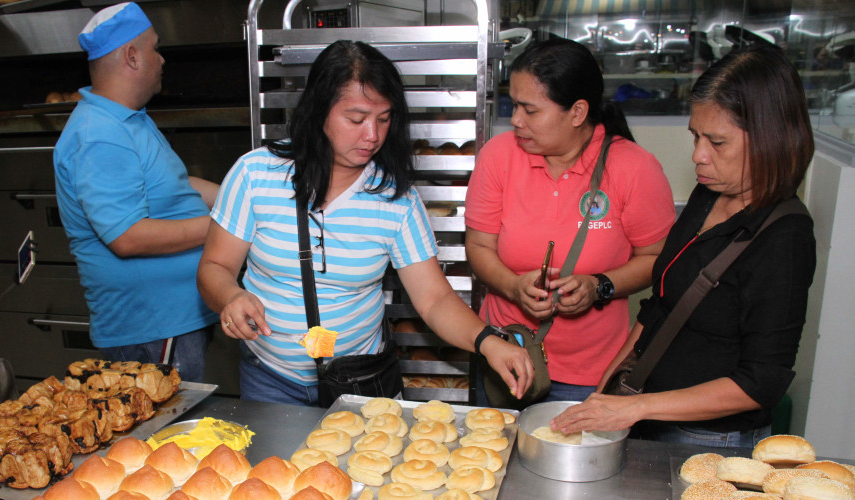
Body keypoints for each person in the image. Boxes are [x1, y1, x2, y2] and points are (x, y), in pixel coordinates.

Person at [197, 40, 533, 406]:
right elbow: (215, 266)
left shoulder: (395, 197)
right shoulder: (256, 174)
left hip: (358, 382)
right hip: (270, 379)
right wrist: (230, 297)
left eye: (384, 119)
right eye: (356, 119)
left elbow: (434, 299)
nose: (372, 135)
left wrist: (488, 342)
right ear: (319, 111)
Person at [551, 44, 816, 448]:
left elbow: (761, 381)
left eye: (717, 142)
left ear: (771, 138)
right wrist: (608, 390)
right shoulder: (709, 194)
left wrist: (636, 408)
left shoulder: (786, 237)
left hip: (711, 439)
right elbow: (661, 304)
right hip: (649, 416)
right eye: (695, 136)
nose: (698, 156)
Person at [464, 38, 676, 404]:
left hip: (589, 375)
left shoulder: (634, 168)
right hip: (508, 356)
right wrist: (514, 287)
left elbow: (659, 258)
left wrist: (599, 286)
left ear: (577, 112)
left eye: (530, 110)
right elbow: (480, 245)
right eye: (514, 105)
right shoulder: (498, 157)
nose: (515, 120)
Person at [54, 2, 219, 381]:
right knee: (160, 437)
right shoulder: (100, 134)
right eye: (155, 48)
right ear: (132, 56)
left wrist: (242, 197)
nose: (161, 60)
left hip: (174, 318)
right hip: (151, 327)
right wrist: (224, 227)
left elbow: (177, 186)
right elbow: (127, 237)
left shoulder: (128, 119)